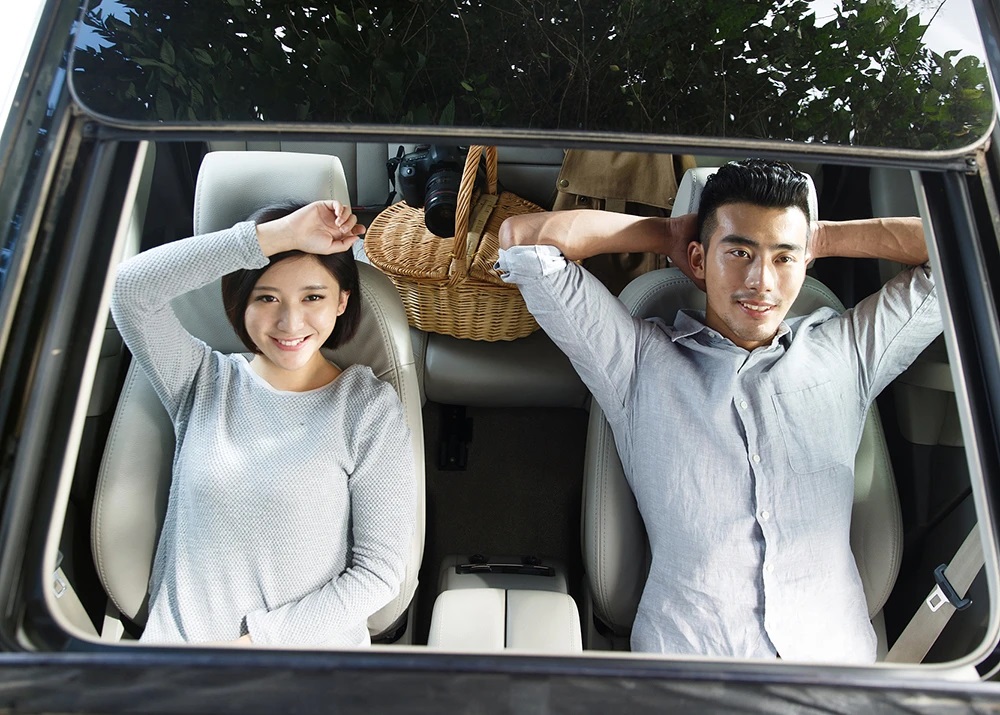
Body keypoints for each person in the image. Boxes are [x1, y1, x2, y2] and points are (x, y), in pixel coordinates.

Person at [497, 159, 942, 663]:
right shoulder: (636, 362)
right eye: (739, 252)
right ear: (698, 258)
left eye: (783, 259)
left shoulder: (848, 351)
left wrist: (818, 238)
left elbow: (953, 253)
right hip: (690, 673)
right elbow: (523, 239)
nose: (761, 281)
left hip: (835, 674)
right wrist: (667, 233)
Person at [111, 199, 416, 648]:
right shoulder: (201, 380)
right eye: (267, 297)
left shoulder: (367, 408)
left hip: (300, 664)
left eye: (313, 297)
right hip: (178, 661)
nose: (290, 323)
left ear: (341, 301)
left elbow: (379, 573)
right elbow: (130, 290)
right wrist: (276, 237)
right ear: (241, 304)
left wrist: (251, 646)